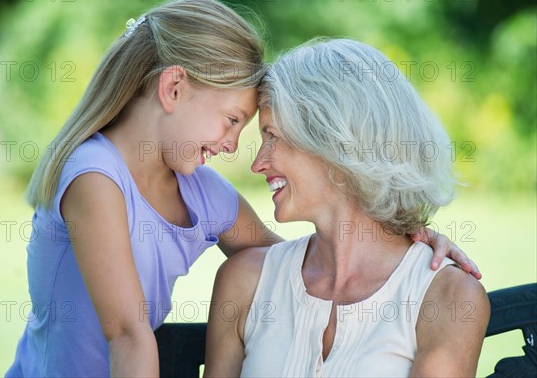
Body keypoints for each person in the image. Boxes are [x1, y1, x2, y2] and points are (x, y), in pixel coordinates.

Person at [5, 0, 479, 377]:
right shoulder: (94, 177)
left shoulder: (201, 193)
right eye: (234, 122)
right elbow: (128, 335)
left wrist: (411, 238)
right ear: (173, 89)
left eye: (259, 131)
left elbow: (307, 265)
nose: (239, 150)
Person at [204, 39, 490, 377]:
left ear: (336, 144)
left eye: (273, 136)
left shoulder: (449, 296)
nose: (258, 164)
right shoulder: (244, 281)